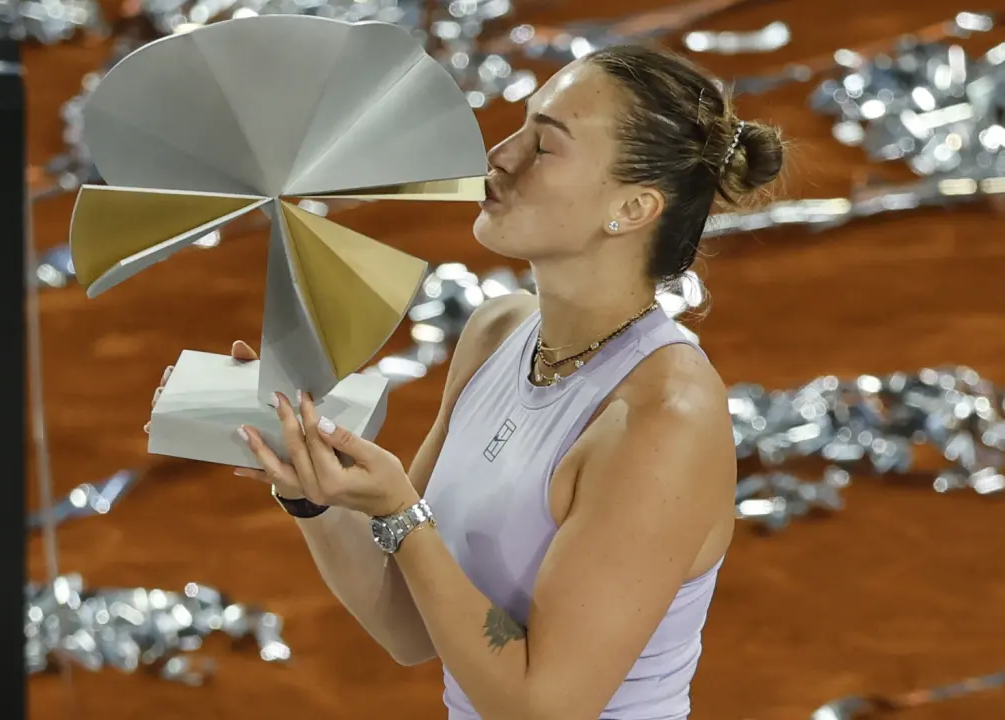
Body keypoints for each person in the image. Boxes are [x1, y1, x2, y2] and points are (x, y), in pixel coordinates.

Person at [147, 43, 785, 720]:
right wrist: (309, 486)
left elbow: (543, 707)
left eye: (544, 145)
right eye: (520, 126)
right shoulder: (498, 332)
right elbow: (407, 626)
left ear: (632, 208)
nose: (500, 155)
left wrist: (401, 511)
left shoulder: (663, 419)